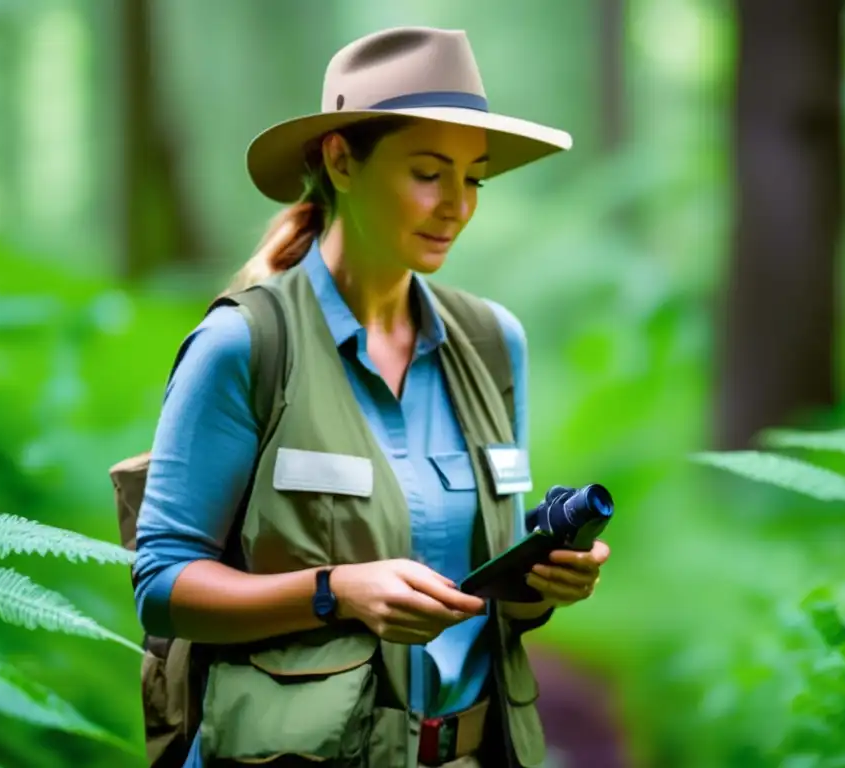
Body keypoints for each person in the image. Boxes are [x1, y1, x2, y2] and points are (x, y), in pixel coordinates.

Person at [133, 25, 611, 768]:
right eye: (428, 172)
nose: (457, 204)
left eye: (474, 178)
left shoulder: (492, 344)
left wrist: (544, 584)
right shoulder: (247, 346)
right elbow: (162, 583)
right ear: (340, 160)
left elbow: (493, 603)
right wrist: (335, 591)